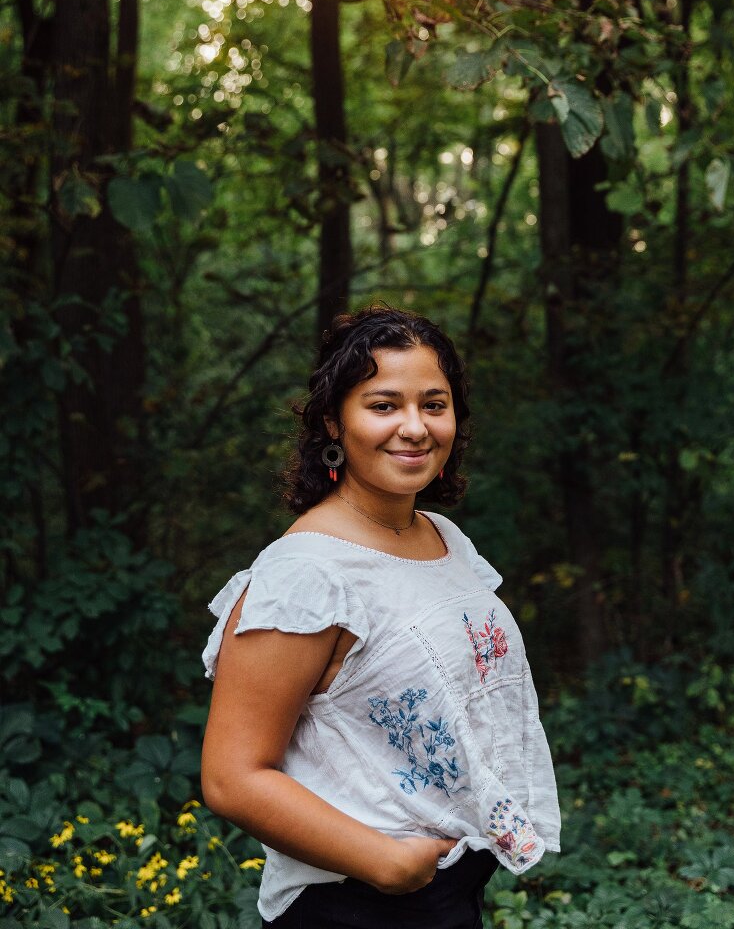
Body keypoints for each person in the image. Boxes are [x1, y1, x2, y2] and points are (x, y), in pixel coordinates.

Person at [201, 306, 560, 928]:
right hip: (356, 903)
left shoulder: (444, 539)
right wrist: (388, 864)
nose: (415, 427)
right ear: (332, 423)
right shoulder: (307, 576)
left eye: (435, 404)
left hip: (451, 889)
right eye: (384, 405)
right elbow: (233, 777)